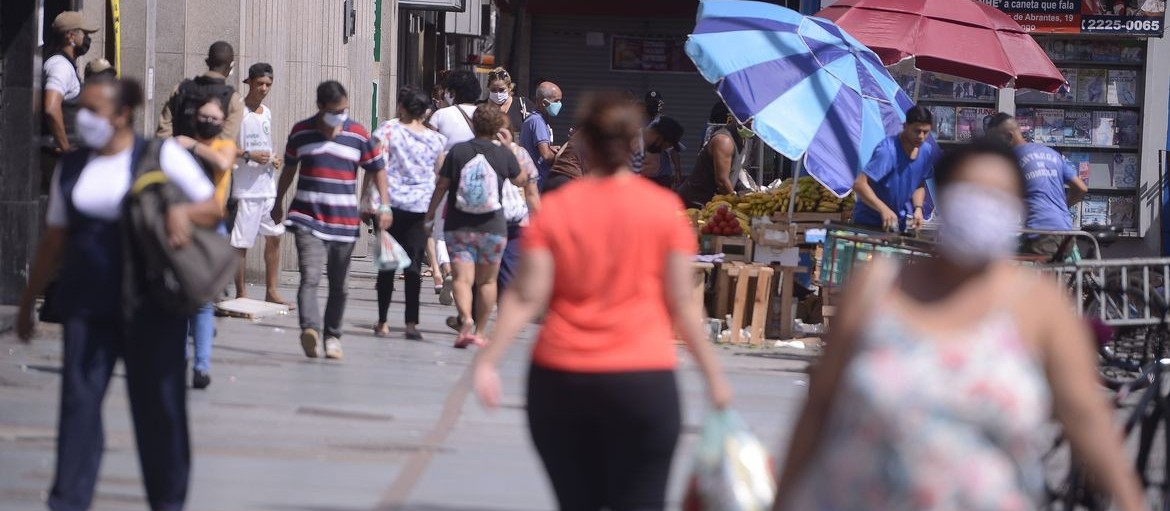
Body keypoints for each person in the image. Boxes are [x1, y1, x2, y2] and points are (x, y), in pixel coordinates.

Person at [774, 138, 1145, 511]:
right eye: (971, 193)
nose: (983, 207)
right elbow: (819, 405)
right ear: (946, 198)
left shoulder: (1039, 306)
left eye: (998, 197)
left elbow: (1085, 417)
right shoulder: (877, 288)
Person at [472, 92, 733, 511]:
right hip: (643, 381)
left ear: (585, 145)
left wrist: (488, 361)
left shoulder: (559, 210)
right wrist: (715, 379)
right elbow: (683, 304)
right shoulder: (664, 210)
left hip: (561, 380)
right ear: (636, 144)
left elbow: (526, 294)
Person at [17, 77, 220, 511]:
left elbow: (211, 205)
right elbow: (55, 237)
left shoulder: (158, 155)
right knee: (78, 407)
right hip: (87, 305)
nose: (82, 119)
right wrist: (26, 302)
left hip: (151, 305)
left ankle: (168, 500)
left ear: (121, 114)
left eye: (92, 110)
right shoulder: (72, 166)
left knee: (159, 409)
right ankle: (68, 500)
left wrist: (180, 210)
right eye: (80, 110)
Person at [273, 80, 390, 360]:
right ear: (320, 107)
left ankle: (333, 335)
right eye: (336, 111)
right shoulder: (301, 132)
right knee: (310, 277)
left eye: (344, 110)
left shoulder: (359, 134)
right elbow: (289, 169)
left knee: (340, 284)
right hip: (307, 218)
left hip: (344, 222)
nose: (341, 116)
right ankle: (310, 330)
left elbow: (378, 168)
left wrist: (384, 206)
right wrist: (278, 201)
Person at [425, 104, 528, 348]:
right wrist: (508, 148)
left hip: (459, 226)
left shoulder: (459, 151)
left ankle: (466, 319)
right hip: (493, 227)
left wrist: (429, 215)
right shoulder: (503, 154)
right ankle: (481, 332)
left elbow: (441, 185)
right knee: (487, 282)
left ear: (473, 124)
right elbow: (522, 180)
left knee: (462, 279)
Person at [370, 86, 448, 340]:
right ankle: (411, 324)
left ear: (402, 107)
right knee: (414, 267)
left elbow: (376, 166)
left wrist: (369, 201)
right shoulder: (437, 140)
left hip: (389, 206)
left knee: (387, 266)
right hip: (420, 209)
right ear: (426, 112)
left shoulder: (387, 131)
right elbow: (440, 175)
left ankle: (382, 321)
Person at [174, 96, 236, 389]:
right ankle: (179, 360)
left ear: (223, 123)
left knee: (202, 304)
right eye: (204, 116)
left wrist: (192, 145)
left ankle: (201, 366)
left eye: (214, 118)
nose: (209, 122)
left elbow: (223, 162)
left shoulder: (224, 146)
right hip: (180, 227)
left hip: (212, 230)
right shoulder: (175, 147)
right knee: (178, 299)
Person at [987, 113, 1089, 258]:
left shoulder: (1011, 159)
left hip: (1041, 232)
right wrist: (1062, 207)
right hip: (1066, 231)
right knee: (1059, 277)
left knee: (1029, 276)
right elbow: (1081, 188)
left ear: (1009, 136)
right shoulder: (1051, 153)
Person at [231, 62, 290, 305]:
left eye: (268, 84)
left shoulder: (266, 112)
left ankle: (271, 289)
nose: (264, 88)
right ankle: (241, 291)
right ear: (250, 82)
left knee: (275, 236)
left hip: (267, 185)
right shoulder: (237, 112)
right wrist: (248, 155)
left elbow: (265, 143)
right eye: (260, 84)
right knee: (241, 242)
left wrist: (274, 158)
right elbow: (224, 144)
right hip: (245, 188)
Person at [428, 70, 482, 307]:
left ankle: (448, 268)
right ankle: (467, 277)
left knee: (440, 231)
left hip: (447, 179)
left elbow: (430, 149)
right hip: (480, 182)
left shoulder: (441, 115)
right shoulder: (485, 114)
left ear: (451, 93)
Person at [851, 105, 938, 233]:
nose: (921, 136)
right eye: (917, 131)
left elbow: (919, 183)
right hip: (868, 224)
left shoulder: (926, 151)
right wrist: (883, 209)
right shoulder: (888, 151)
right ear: (905, 126)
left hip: (897, 224)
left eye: (925, 132)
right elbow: (859, 184)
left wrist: (918, 208)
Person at [42, 11, 99, 191]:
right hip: (58, 159)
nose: (87, 38)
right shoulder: (60, 67)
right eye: (84, 33)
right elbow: (51, 108)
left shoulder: (66, 65)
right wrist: (65, 148)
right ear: (71, 36)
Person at [157, 41, 245, 141]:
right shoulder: (234, 100)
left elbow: (163, 133)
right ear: (231, 67)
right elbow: (224, 142)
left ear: (207, 62)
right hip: (211, 156)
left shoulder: (180, 89)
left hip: (177, 153)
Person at [496, 117, 542, 297]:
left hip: (487, 218)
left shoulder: (480, 151)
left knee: (489, 272)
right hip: (516, 217)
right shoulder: (521, 153)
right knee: (509, 267)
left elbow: (531, 192)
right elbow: (531, 192)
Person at [676, 114, 751, 208]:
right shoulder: (724, 140)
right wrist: (736, 204)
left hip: (713, 202)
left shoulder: (743, 139)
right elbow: (722, 181)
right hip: (695, 202)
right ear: (736, 117)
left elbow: (735, 170)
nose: (753, 124)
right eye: (750, 120)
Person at [520, 81, 563, 189]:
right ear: (544, 103)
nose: (559, 104)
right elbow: (547, 156)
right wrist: (561, 154)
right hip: (538, 183)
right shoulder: (537, 121)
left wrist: (550, 148)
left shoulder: (536, 120)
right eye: (556, 101)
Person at [636, 116, 686, 189]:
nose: (662, 150)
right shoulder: (630, 142)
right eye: (665, 146)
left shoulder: (645, 147)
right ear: (658, 135)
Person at [486, 67, 532, 139]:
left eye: (501, 90)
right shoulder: (482, 107)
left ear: (509, 88)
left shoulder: (523, 105)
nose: (497, 93)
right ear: (488, 88)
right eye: (494, 90)